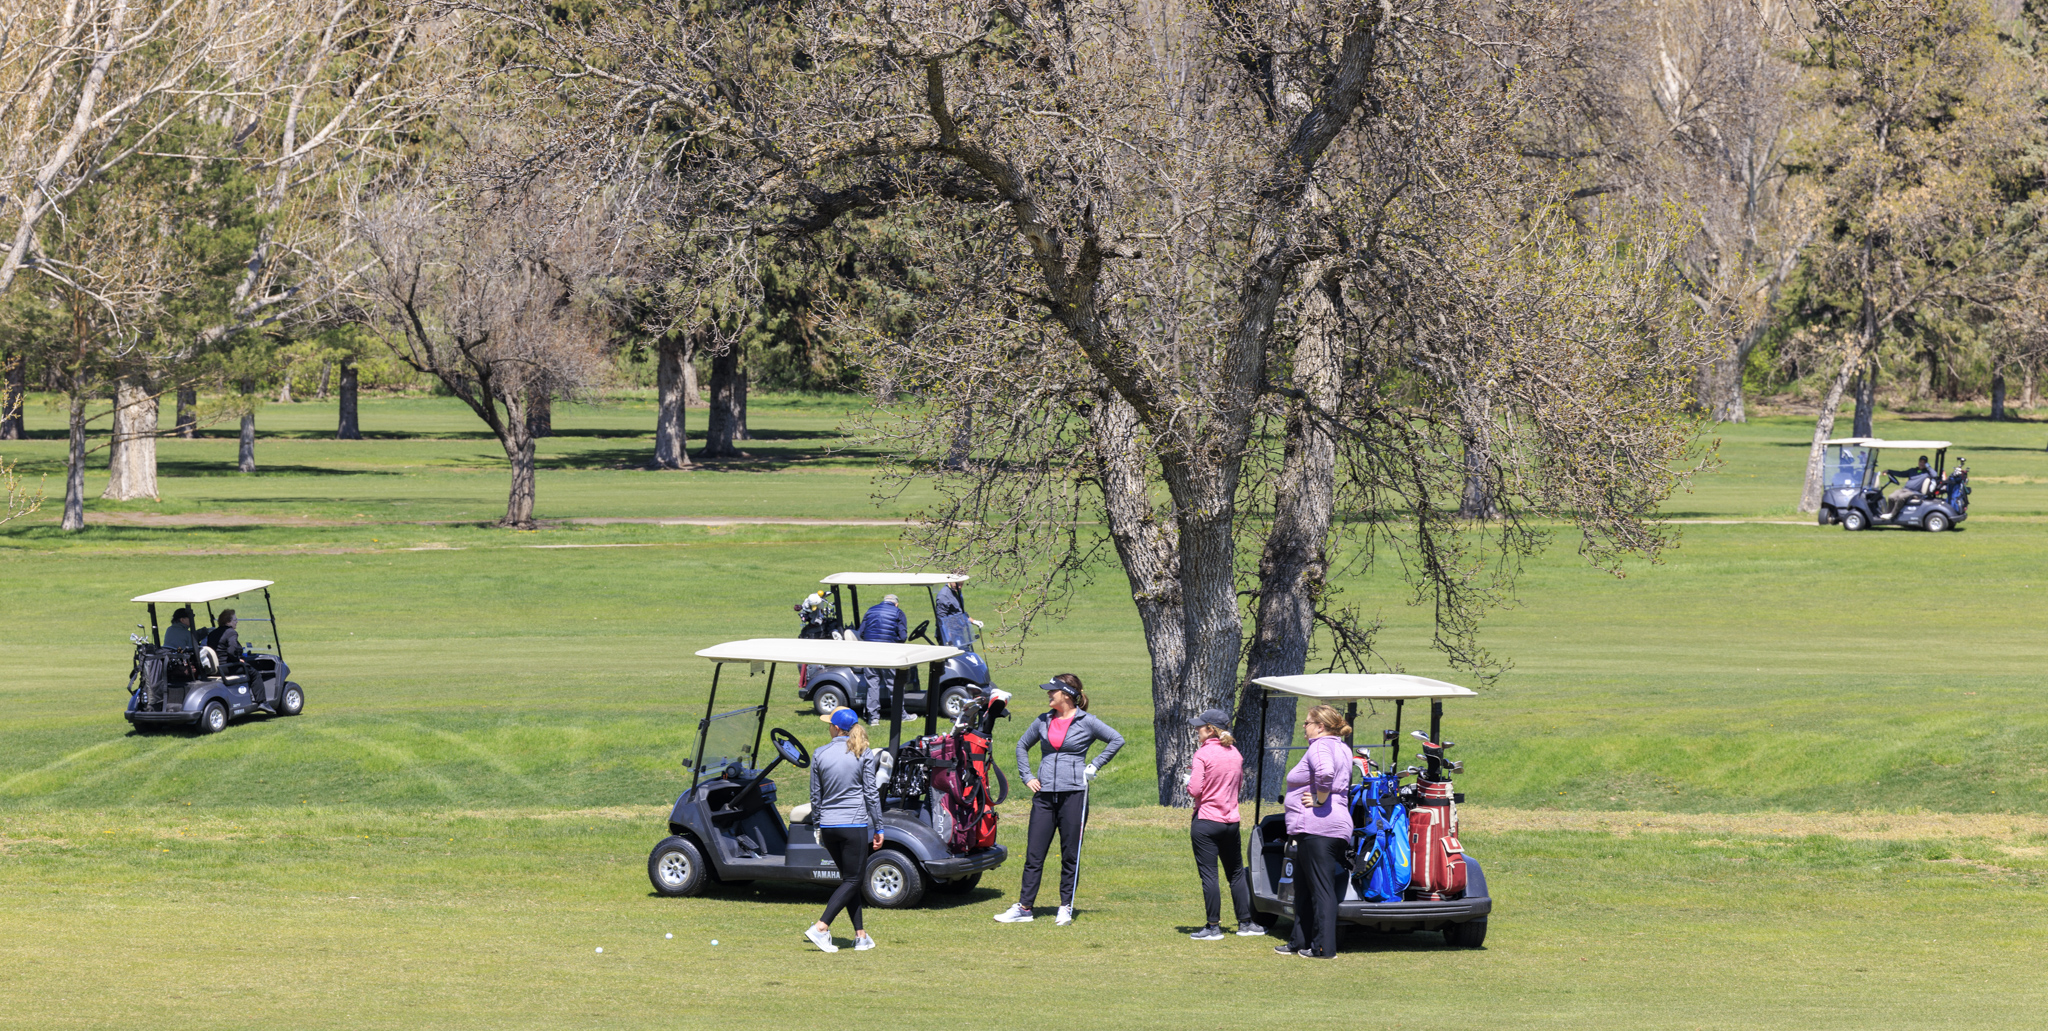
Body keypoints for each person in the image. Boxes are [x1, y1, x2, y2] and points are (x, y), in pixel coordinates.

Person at [995, 674, 1124, 927]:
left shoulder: (1087, 721)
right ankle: (1024, 908)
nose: (1048, 694)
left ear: (1066, 694)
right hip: (1044, 797)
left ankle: (1065, 906)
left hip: (1074, 795)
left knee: (1069, 855)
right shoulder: (1043, 720)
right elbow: (1022, 745)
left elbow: (1117, 739)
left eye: (1052, 691)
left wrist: (1095, 764)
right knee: (1034, 854)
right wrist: (1027, 776)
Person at [804, 707, 883, 953]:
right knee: (853, 879)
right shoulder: (863, 752)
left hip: (829, 827)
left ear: (836, 728)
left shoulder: (820, 753)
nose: (828, 728)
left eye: (829, 724)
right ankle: (821, 927)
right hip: (853, 825)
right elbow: (871, 793)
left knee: (850, 879)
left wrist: (817, 825)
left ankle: (861, 936)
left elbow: (815, 796)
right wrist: (879, 826)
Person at [1279, 704, 1354, 960]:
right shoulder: (1342, 747)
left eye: (1307, 722)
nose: (1304, 726)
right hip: (1322, 827)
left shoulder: (1320, 746)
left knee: (1321, 889)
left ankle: (1323, 948)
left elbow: (1325, 773)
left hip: (1319, 827)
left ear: (1320, 726)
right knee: (1302, 887)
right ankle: (1298, 941)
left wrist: (1320, 799)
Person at [1184, 708, 1263, 940]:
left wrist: (1189, 781)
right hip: (1231, 821)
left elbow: (1195, 790)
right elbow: (1237, 785)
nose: (1197, 730)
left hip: (1206, 821)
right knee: (1236, 873)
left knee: (1210, 875)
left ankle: (1213, 927)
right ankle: (1245, 923)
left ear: (1210, 730)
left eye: (1200, 727)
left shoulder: (1202, 754)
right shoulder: (1235, 753)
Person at [857, 594, 908, 724]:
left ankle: (873, 718)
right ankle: (900, 715)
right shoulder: (898, 612)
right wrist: (892, 641)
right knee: (894, 684)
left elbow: (861, 633)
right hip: (888, 653)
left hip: (870, 653)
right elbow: (902, 637)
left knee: (872, 685)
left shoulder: (870, 610)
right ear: (896, 604)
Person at [934, 581, 972, 649]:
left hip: (958, 632)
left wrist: (973, 621)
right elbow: (941, 620)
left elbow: (959, 612)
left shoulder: (956, 591)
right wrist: (948, 635)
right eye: (957, 584)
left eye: (961, 584)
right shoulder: (943, 596)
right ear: (951, 581)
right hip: (949, 635)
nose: (959, 587)